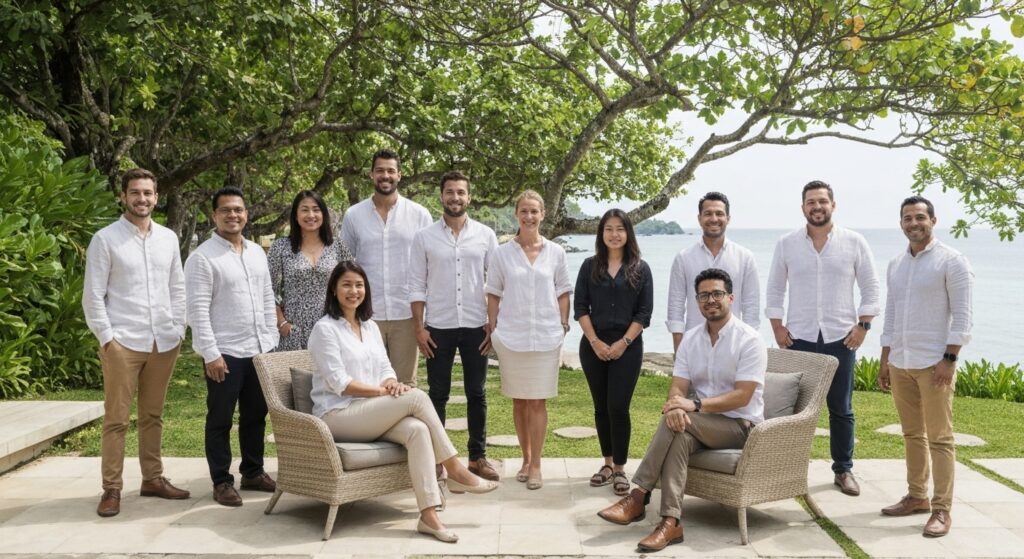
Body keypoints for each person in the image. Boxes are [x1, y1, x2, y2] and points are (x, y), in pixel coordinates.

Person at [307, 261, 498, 543]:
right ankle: (455, 468)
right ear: (334, 290)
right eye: (346, 284)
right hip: (337, 416)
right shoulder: (325, 329)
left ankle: (429, 517)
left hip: (369, 413)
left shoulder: (369, 326)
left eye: (359, 285)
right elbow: (341, 384)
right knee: (417, 396)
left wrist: (391, 383)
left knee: (417, 430)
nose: (353, 291)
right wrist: (383, 393)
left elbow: (385, 368)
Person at [597, 268, 767, 552]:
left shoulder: (749, 340)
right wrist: (677, 404)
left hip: (740, 427)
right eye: (703, 295)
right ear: (697, 300)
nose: (710, 300)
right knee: (678, 434)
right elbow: (678, 385)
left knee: (673, 423)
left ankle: (638, 495)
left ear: (731, 298)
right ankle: (670, 522)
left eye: (717, 294)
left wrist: (692, 405)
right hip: (699, 423)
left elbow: (742, 396)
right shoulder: (690, 339)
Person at [83, 168, 190, 517]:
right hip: (123, 341)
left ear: (156, 197)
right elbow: (93, 296)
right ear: (123, 197)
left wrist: (178, 328)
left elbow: (177, 287)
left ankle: (153, 479)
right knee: (116, 418)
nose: (141, 198)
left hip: (164, 340)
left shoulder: (169, 239)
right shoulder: (105, 239)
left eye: (147, 192)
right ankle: (111, 488)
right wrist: (107, 338)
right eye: (135, 192)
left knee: (153, 415)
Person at [765, 180, 880, 496]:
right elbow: (775, 288)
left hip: (840, 339)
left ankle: (843, 470)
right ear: (803, 207)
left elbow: (871, 288)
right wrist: (777, 326)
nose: (817, 207)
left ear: (833, 205)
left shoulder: (854, 242)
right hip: (797, 338)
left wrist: (863, 326)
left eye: (822, 201)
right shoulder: (787, 244)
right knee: (790, 408)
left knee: (840, 407)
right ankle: (781, 472)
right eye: (810, 202)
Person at [877, 196, 973, 538]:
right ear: (901, 223)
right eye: (907, 218)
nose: (913, 223)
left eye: (920, 217)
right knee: (911, 434)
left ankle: (941, 508)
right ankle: (916, 496)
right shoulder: (896, 264)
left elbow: (962, 316)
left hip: (935, 365)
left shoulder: (952, 261)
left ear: (933, 220)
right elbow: (891, 313)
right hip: (901, 361)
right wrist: (886, 358)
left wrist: (949, 359)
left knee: (941, 438)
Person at [185, 186, 279, 507]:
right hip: (223, 353)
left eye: (238, 210)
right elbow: (196, 310)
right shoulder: (202, 258)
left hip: (258, 350)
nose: (232, 215)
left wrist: (270, 339)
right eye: (225, 210)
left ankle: (252, 471)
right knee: (221, 418)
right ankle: (222, 481)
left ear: (246, 214)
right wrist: (209, 353)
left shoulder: (255, 252)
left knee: (256, 415)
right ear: (214, 216)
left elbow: (267, 297)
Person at [409, 171, 501, 481]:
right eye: (450, 192)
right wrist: (419, 329)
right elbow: (416, 285)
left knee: (477, 393)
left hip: (476, 324)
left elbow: (495, 284)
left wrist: (493, 323)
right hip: (438, 326)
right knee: (437, 394)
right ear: (441, 197)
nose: (455, 198)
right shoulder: (424, 237)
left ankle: (478, 457)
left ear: (469, 197)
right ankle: (438, 459)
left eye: (461, 192)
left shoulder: (486, 235)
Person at [485, 189, 572, 490]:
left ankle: (537, 464)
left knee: (537, 401)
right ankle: (525, 458)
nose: (529, 216)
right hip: (512, 336)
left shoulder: (556, 252)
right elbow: (493, 292)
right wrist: (493, 328)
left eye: (535, 211)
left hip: (547, 336)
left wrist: (563, 324)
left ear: (543, 214)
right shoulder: (501, 253)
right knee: (520, 401)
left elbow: (563, 290)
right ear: (516, 214)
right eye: (524, 211)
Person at [574, 209, 653, 496]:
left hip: (628, 347)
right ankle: (606, 464)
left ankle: (620, 468)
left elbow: (644, 313)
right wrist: (594, 341)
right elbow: (580, 308)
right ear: (602, 233)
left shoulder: (641, 269)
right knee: (600, 407)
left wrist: (624, 343)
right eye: (609, 228)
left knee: (618, 407)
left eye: (620, 228)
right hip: (593, 345)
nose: (614, 234)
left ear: (628, 233)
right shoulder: (588, 266)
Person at [340, 149, 432, 386]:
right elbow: (345, 264)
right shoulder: (353, 215)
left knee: (405, 384)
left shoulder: (419, 215)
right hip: (366, 314)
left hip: (406, 314)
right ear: (371, 175)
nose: (385, 175)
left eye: (391, 171)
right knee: (367, 382)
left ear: (399, 175)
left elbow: (429, 266)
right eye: (380, 170)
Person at [666, 192, 759, 352]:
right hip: (693, 344)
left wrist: (749, 346)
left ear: (728, 218)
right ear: (699, 218)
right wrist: (678, 349)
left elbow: (751, 306)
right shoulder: (683, 258)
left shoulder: (745, 257)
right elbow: (676, 305)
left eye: (719, 214)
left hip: (734, 344)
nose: (714, 219)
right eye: (708, 213)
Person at [268, 190, 353, 350]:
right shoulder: (281, 247)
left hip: (333, 326)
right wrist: (281, 322)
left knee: (333, 373)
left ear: (323, 214)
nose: (311, 215)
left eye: (316, 209)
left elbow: (352, 282)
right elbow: (267, 289)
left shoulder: (338, 246)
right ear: (295, 215)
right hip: (293, 331)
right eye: (305, 210)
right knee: (296, 375)